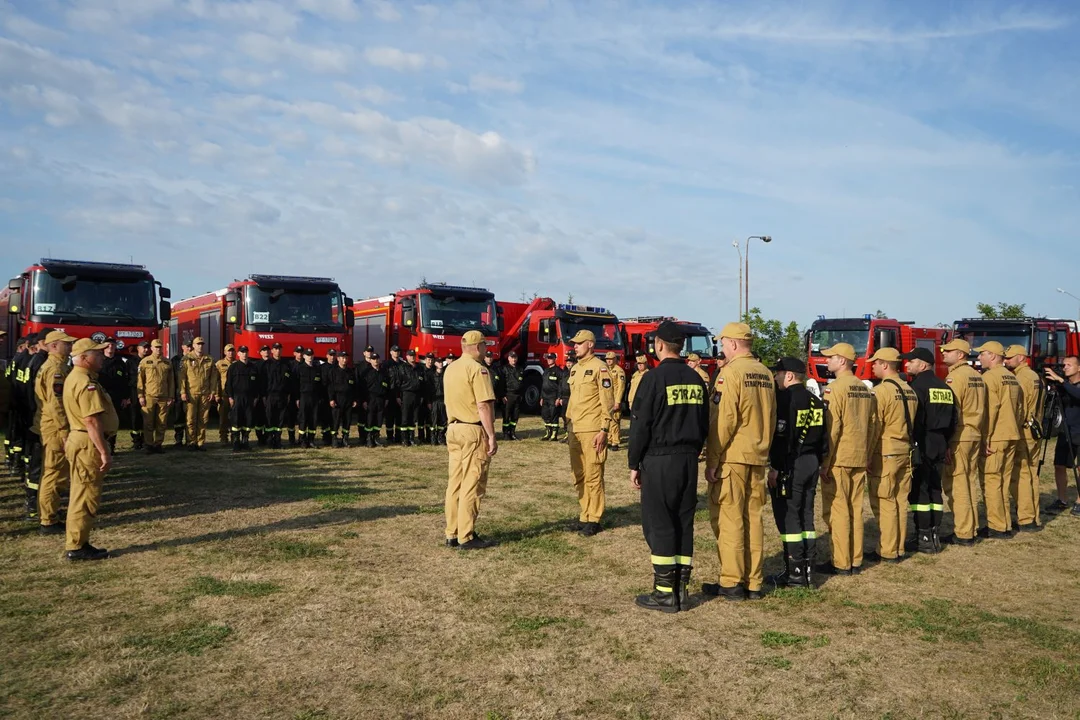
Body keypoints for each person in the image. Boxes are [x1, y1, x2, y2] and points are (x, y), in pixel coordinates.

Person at [628, 321, 708, 613]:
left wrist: (633, 463)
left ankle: (664, 594)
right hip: (689, 459)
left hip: (660, 459)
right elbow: (703, 422)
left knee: (659, 523)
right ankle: (681, 591)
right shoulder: (697, 379)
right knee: (683, 523)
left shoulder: (653, 379)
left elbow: (640, 425)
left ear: (659, 345)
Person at [702, 322, 776, 601]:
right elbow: (770, 416)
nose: (722, 349)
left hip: (733, 457)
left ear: (732, 344)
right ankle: (753, 582)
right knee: (753, 520)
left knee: (730, 519)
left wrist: (713, 459)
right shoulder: (766, 374)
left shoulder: (730, 373)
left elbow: (724, 421)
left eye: (723, 344)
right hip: (758, 457)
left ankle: (732, 581)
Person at [816, 343, 876, 576]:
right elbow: (872, 425)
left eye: (830, 357)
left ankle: (841, 562)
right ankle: (855, 559)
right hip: (859, 455)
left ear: (842, 361)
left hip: (840, 457)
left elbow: (833, 428)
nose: (826, 361)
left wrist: (826, 461)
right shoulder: (864, 388)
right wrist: (868, 454)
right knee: (855, 509)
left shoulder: (835, 389)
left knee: (838, 510)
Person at [767, 357, 827, 588]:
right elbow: (824, 437)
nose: (776, 377)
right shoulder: (816, 401)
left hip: (792, 465)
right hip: (812, 462)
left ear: (789, 375)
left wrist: (775, 468)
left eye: (779, 373)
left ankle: (795, 574)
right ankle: (809, 569)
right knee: (807, 515)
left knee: (789, 517)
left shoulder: (785, 399)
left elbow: (783, 440)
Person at [62, 337, 119, 561]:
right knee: (85, 495)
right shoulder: (85, 381)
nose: (101, 357)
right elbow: (91, 420)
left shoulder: (76, 377)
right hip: (87, 442)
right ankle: (76, 546)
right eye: (96, 354)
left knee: (81, 493)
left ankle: (78, 542)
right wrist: (103, 451)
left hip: (81, 439)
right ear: (84, 358)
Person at [443, 330, 498, 550]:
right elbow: (483, 405)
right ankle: (466, 535)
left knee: (454, 483)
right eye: (484, 345)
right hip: (473, 430)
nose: (486, 349)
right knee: (472, 483)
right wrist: (492, 435)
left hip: (453, 429)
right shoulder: (478, 369)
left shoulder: (450, 368)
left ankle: (452, 532)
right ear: (477, 347)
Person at [866, 347, 920, 564]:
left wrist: (868, 454)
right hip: (904, 450)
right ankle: (897, 547)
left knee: (884, 501)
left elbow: (874, 426)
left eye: (875, 363)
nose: (872, 366)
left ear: (885, 365)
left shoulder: (881, 392)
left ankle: (887, 550)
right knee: (899, 500)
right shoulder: (910, 390)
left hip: (886, 452)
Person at [902, 347, 957, 553]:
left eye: (911, 361)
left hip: (923, 442)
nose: (907, 364)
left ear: (923, 365)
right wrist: (947, 442)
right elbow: (954, 419)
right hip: (941, 441)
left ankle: (923, 536)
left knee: (920, 490)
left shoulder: (917, 387)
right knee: (935, 488)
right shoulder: (944, 387)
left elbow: (914, 419)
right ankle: (933, 532)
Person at [566, 331, 616, 537]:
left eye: (578, 343)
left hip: (593, 430)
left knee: (593, 475)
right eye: (574, 344)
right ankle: (584, 514)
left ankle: (594, 518)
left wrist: (604, 429)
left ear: (589, 344)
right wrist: (567, 422)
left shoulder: (600, 368)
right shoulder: (575, 369)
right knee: (579, 475)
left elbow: (608, 402)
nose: (574, 346)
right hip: (575, 429)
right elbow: (572, 400)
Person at [939, 339, 987, 545]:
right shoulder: (977, 376)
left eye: (948, 351)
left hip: (960, 436)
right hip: (975, 433)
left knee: (957, 485)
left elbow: (952, 412)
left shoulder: (955, 378)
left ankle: (964, 531)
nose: (943, 353)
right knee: (969, 482)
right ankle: (972, 527)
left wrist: (947, 442)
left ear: (960, 354)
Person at [976, 341, 1023, 539]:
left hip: (996, 436)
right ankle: (1004, 524)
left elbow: (991, 410)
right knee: (1003, 480)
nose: (979, 358)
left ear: (993, 356)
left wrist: (985, 437)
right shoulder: (1012, 377)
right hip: (1012, 433)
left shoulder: (990, 377)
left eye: (982, 354)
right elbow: (1020, 409)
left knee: (992, 481)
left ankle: (996, 526)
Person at [34, 330, 77, 534]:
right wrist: (63, 430)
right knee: (54, 473)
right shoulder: (55, 369)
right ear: (52, 346)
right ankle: (48, 520)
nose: (69, 347)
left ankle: (50, 515)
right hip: (54, 427)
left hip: (51, 425)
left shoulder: (56, 366)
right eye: (65, 344)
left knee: (54, 472)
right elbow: (56, 403)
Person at [1004, 345, 1043, 531]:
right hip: (1035, 430)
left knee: (1020, 475)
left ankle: (1026, 518)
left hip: (1024, 431)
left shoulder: (1020, 378)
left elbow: (1020, 409)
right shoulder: (1035, 376)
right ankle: (1033, 516)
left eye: (1010, 357)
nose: (1006, 360)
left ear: (1021, 358)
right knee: (1032, 476)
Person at [1044, 356, 1080, 516]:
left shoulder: (1072, 386)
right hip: (1066, 431)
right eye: (1063, 365)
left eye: (1069, 365)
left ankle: (1079, 502)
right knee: (1059, 465)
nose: (1065, 368)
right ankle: (1062, 499)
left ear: (1078, 368)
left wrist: (1061, 381)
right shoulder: (1063, 386)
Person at [179, 337, 218, 451]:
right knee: (190, 419)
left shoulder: (209, 359)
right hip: (191, 393)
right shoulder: (186, 359)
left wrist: (212, 391)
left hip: (205, 394)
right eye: (198, 344)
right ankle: (191, 442)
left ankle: (200, 442)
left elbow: (213, 378)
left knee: (203, 419)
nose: (200, 346)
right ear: (194, 346)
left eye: (202, 344)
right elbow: (182, 377)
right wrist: (182, 392)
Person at [138, 339, 175, 454]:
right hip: (149, 396)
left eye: (160, 347)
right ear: (152, 348)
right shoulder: (145, 362)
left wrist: (171, 396)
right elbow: (140, 380)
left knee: (162, 422)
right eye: (156, 347)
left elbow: (171, 381)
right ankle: (148, 445)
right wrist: (141, 396)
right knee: (148, 422)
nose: (158, 349)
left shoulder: (167, 363)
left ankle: (158, 444)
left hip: (163, 397)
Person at [225, 346, 261, 452]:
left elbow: (256, 385)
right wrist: (230, 397)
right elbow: (228, 384)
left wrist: (255, 397)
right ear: (238, 354)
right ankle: (236, 442)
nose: (244, 354)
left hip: (249, 398)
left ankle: (245, 441)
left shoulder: (253, 367)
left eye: (246, 352)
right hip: (237, 398)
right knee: (236, 420)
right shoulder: (233, 367)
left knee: (248, 420)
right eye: (242, 352)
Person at [99, 339, 131, 455]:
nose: (110, 347)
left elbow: (125, 381)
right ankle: (102, 447)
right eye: (108, 345)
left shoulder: (120, 362)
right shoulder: (100, 361)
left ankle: (111, 447)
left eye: (112, 345)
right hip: (101, 396)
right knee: (101, 423)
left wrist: (125, 397)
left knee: (113, 422)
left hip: (116, 397)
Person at [263, 343, 291, 449]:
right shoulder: (267, 364)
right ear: (272, 351)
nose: (278, 351)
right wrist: (263, 395)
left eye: (279, 349)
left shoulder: (286, 364)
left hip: (282, 395)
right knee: (270, 418)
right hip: (270, 395)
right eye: (275, 349)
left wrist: (288, 394)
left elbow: (289, 381)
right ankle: (270, 440)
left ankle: (278, 440)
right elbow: (263, 381)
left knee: (280, 419)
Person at [328, 351, 358, 447]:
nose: (344, 360)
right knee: (335, 420)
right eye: (342, 358)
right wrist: (331, 399)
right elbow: (330, 386)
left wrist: (354, 399)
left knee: (347, 420)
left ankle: (345, 438)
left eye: (346, 358)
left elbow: (354, 387)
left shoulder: (350, 371)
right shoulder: (333, 371)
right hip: (337, 399)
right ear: (338, 359)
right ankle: (334, 439)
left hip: (348, 399)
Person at [295, 349, 322, 448]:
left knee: (313, 419)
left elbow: (320, 385)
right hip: (303, 396)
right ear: (304, 356)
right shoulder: (300, 368)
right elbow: (296, 385)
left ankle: (311, 440)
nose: (310, 357)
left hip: (314, 397)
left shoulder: (317, 369)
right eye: (308, 355)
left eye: (311, 355)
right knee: (303, 418)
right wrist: (297, 398)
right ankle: (302, 440)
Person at [363, 352, 390, 447]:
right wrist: (364, 400)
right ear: (370, 360)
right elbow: (362, 388)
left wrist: (386, 398)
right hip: (370, 399)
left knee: (379, 419)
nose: (376, 361)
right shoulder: (366, 372)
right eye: (374, 359)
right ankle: (369, 439)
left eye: (377, 359)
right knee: (370, 419)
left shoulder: (383, 372)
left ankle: (376, 437)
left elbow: (387, 386)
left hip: (381, 399)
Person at [399, 349, 424, 447]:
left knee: (414, 418)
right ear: (407, 356)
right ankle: (404, 439)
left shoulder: (419, 368)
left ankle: (411, 438)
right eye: (410, 355)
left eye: (413, 355)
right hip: (406, 394)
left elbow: (422, 382)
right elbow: (399, 382)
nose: (412, 357)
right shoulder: (403, 367)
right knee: (405, 417)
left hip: (417, 395)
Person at [128, 341, 149, 450]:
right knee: (135, 416)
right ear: (138, 348)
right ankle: (136, 441)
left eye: (147, 348)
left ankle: (146, 440)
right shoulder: (131, 362)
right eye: (144, 347)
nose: (146, 350)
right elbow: (127, 378)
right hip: (134, 391)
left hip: (148, 392)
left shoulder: (150, 361)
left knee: (147, 416)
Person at [170, 340, 192, 446]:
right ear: (182, 347)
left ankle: (189, 439)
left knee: (190, 417)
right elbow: (172, 378)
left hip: (191, 392)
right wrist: (172, 394)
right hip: (178, 392)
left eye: (190, 346)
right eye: (187, 346)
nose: (189, 348)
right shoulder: (175, 360)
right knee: (178, 417)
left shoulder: (194, 359)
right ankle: (178, 439)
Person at [604, 351, 627, 450]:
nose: (608, 361)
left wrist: (617, 401)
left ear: (615, 360)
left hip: (614, 399)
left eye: (610, 359)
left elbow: (621, 387)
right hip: (607, 399)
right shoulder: (605, 370)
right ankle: (609, 439)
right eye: (607, 359)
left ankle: (615, 442)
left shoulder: (619, 371)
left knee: (615, 421)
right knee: (607, 419)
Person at [539, 353, 563, 441]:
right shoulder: (546, 370)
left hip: (553, 397)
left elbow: (561, 385)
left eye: (551, 358)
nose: (549, 360)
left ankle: (554, 434)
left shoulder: (558, 371)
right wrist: (541, 397)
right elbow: (543, 385)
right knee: (546, 415)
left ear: (555, 359)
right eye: (548, 358)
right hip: (545, 397)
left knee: (554, 415)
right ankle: (548, 433)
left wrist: (559, 398)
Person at [215, 345, 236, 445]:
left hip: (235, 395)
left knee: (234, 417)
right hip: (224, 395)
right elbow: (216, 381)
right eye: (228, 351)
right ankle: (223, 438)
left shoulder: (237, 364)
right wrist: (216, 394)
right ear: (224, 352)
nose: (230, 353)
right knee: (223, 418)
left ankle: (234, 437)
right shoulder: (219, 364)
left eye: (232, 351)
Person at [502, 351, 525, 441]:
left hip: (517, 396)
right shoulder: (504, 369)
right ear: (508, 358)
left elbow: (523, 383)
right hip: (508, 395)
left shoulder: (520, 369)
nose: (514, 359)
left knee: (515, 416)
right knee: (507, 416)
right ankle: (506, 434)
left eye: (515, 357)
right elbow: (502, 383)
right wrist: (503, 395)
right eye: (512, 357)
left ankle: (513, 432)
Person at [385, 345, 404, 444]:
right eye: (394, 351)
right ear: (390, 352)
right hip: (390, 393)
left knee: (399, 417)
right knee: (389, 417)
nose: (396, 353)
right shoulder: (387, 364)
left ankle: (398, 436)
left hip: (400, 394)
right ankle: (389, 437)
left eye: (398, 351)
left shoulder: (402, 364)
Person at [253, 345, 271, 445]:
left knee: (269, 418)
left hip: (270, 395)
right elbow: (255, 381)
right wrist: (256, 396)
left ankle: (267, 437)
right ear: (260, 353)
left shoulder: (273, 364)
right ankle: (260, 438)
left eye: (267, 350)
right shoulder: (256, 365)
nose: (266, 352)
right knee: (259, 419)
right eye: (264, 350)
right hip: (259, 396)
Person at [430, 358, 447, 445]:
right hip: (434, 400)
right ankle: (433, 439)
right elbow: (428, 389)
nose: (440, 364)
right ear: (435, 364)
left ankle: (441, 437)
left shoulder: (446, 375)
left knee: (443, 420)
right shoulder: (432, 376)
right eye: (439, 362)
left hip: (443, 400)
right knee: (434, 420)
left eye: (441, 362)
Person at [559, 352, 574, 442]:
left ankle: (571, 435)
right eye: (567, 362)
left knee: (571, 417)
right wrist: (560, 397)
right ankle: (566, 434)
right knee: (564, 415)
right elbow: (561, 385)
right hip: (564, 398)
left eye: (570, 362)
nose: (568, 364)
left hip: (571, 398)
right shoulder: (564, 372)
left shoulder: (575, 372)